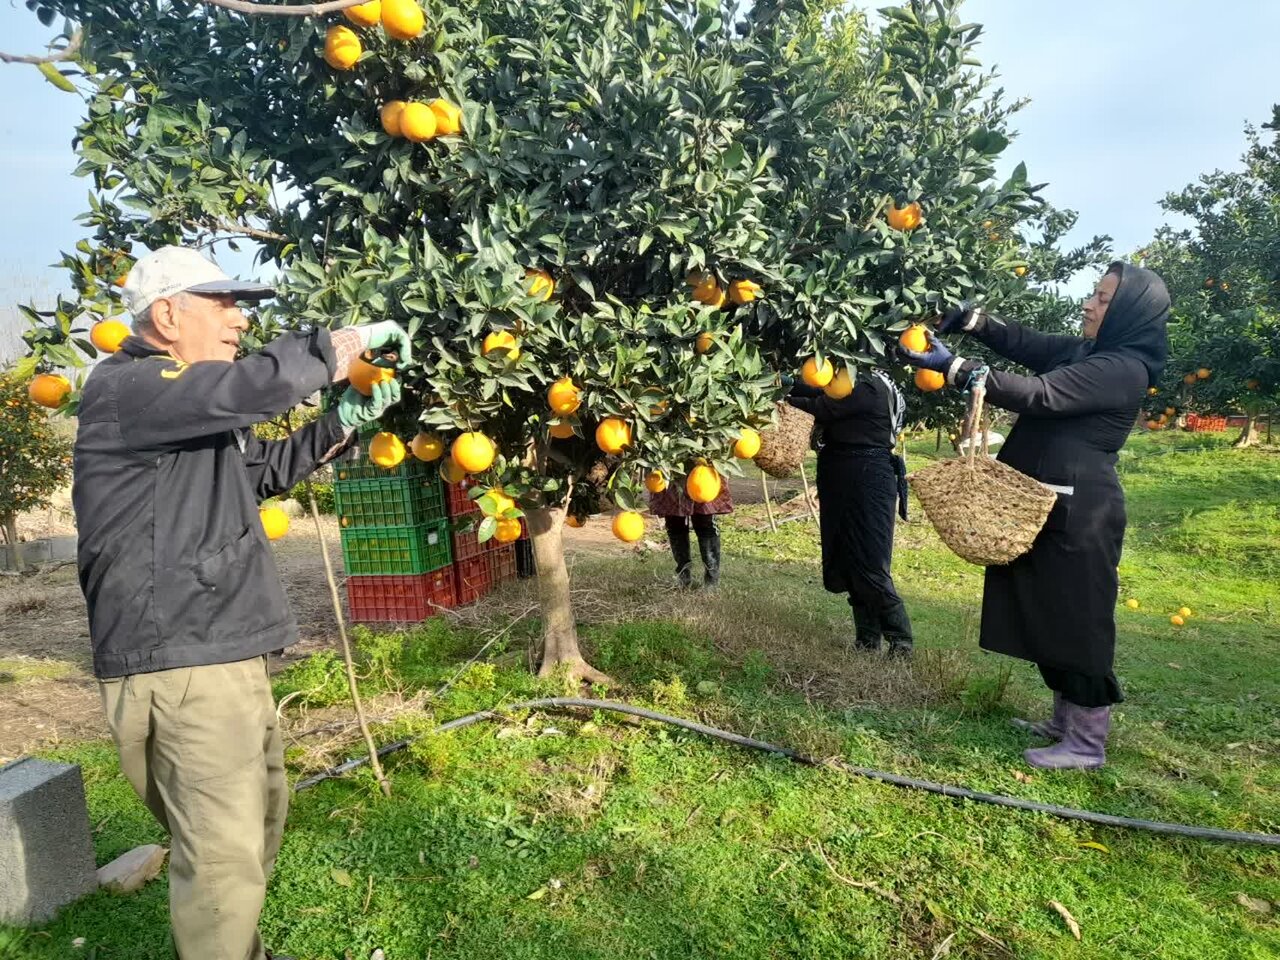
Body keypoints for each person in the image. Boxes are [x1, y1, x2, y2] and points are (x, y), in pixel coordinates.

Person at [73, 245, 412, 960]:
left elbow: (258, 472)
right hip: (179, 656)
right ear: (168, 316)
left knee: (254, 823)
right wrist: (346, 343)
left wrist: (342, 419)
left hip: (223, 646)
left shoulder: (183, 410)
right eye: (223, 304)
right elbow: (255, 386)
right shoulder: (129, 387)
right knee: (222, 856)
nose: (240, 319)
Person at [900, 261, 1169, 770]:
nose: (1088, 304)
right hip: (1045, 504)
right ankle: (1063, 723)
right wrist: (972, 321)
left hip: (1081, 514)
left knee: (1078, 621)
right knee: (1047, 614)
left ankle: (1087, 742)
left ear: (1130, 312)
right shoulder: (1087, 351)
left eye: (1103, 299)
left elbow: (1040, 394)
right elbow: (1027, 343)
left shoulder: (1124, 368)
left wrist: (956, 369)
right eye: (1094, 294)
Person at [786, 369, 914, 656]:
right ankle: (867, 640)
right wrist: (789, 383)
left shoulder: (868, 384)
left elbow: (823, 406)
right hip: (845, 472)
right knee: (847, 556)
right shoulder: (860, 379)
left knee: (869, 558)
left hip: (865, 476)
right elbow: (820, 391)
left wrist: (783, 397)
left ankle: (900, 641)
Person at [648, 474, 732, 588]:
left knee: (704, 518)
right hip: (671, 472)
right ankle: (683, 576)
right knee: (674, 520)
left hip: (702, 474)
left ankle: (712, 578)